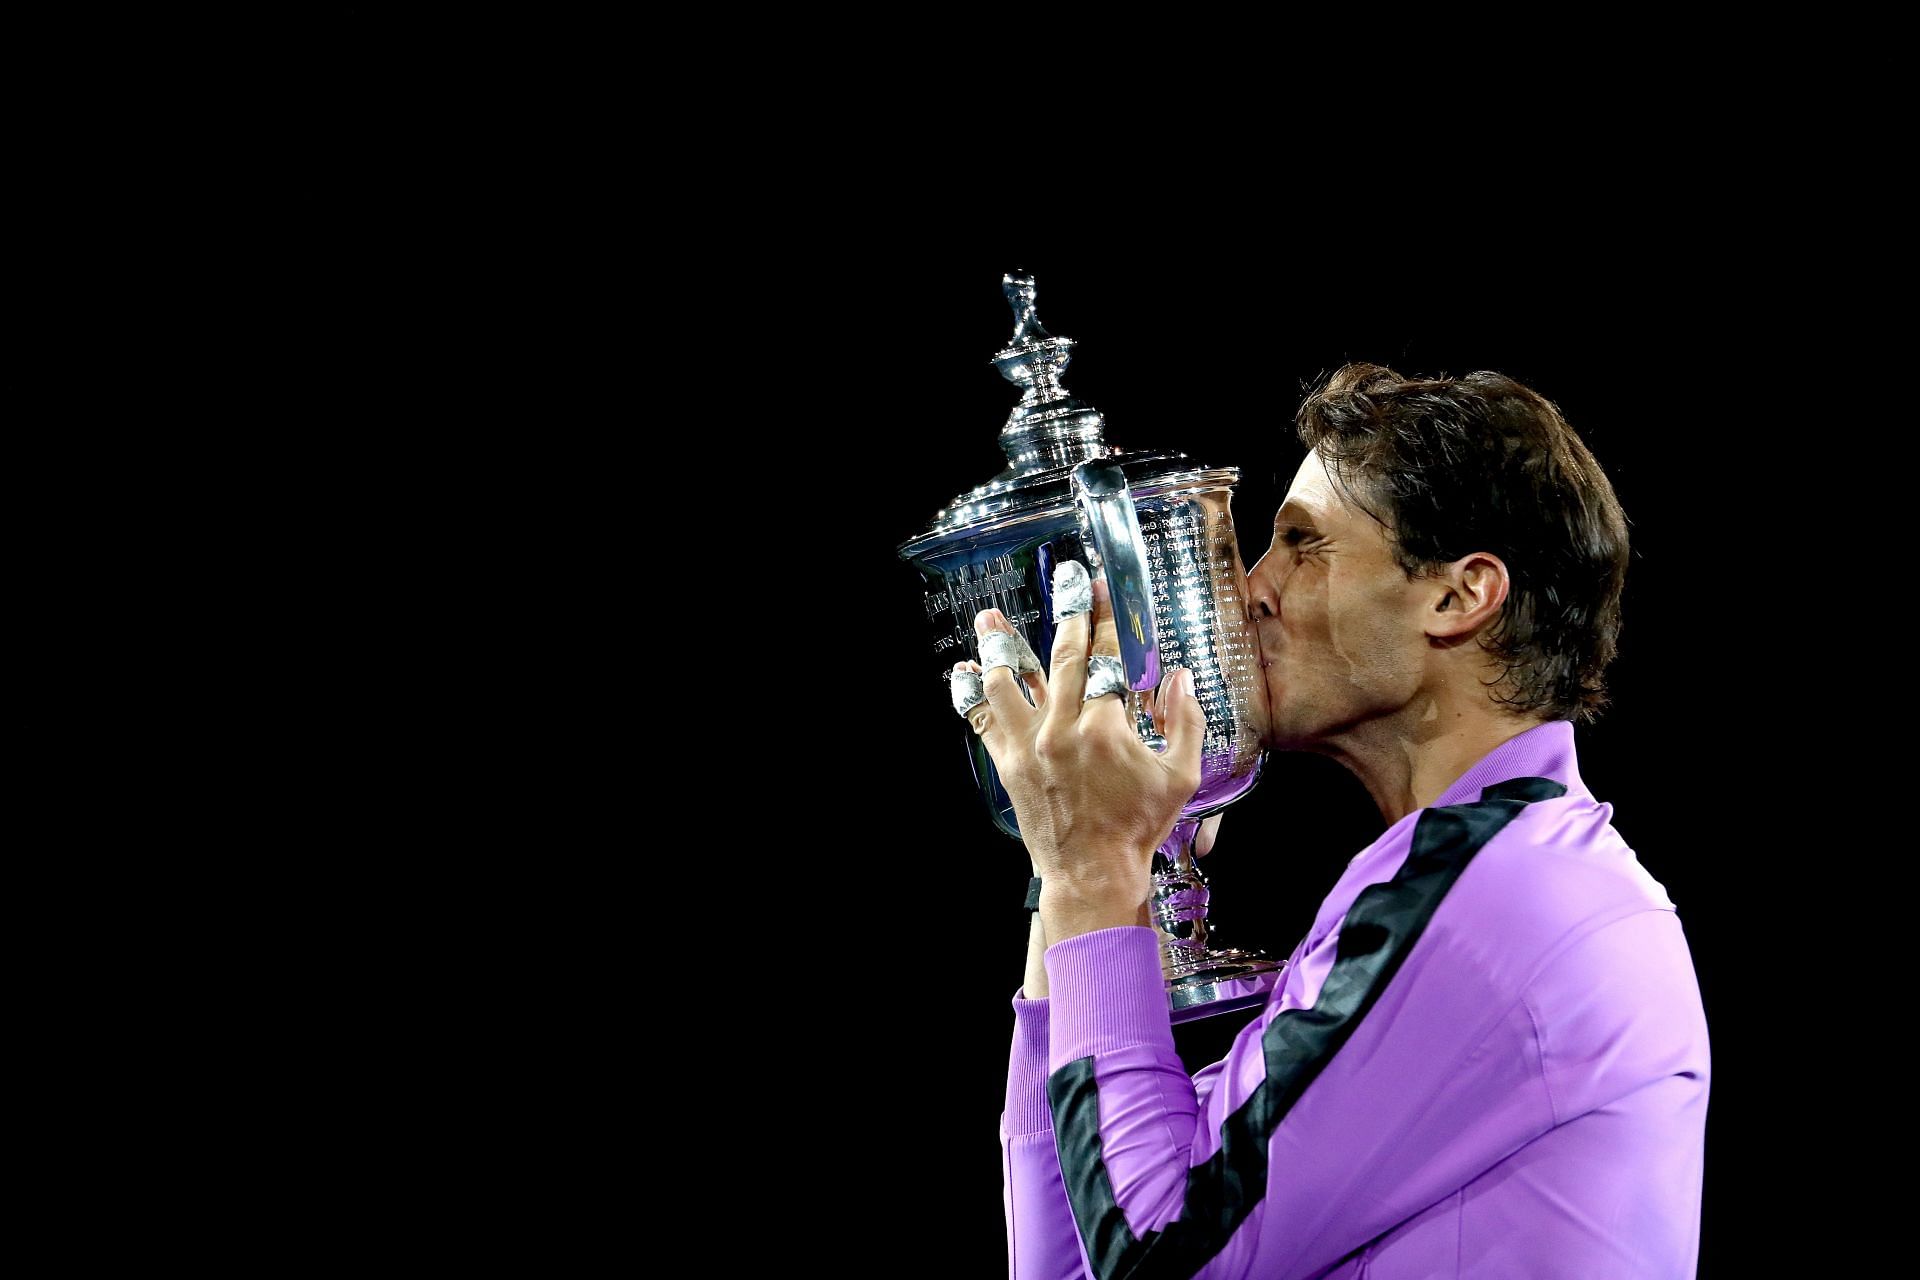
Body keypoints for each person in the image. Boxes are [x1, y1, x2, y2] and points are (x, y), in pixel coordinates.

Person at [951, 363, 1709, 1278]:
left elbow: (1150, 1255)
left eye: (1303, 544)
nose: (1253, 588)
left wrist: (1094, 869)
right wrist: (1074, 860)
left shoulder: (1495, 902)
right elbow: (1066, 1258)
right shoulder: (1473, 873)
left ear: (1458, 596)